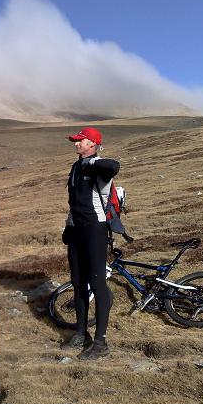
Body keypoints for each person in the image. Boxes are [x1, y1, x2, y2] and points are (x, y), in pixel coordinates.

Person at [62, 127, 119, 360]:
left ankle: (101, 342)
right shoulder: (75, 167)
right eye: (75, 141)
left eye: (81, 141)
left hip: (95, 229)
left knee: (97, 283)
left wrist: (92, 163)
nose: (76, 144)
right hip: (77, 230)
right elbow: (73, 202)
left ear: (93, 143)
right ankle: (80, 333)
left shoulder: (99, 165)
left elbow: (113, 167)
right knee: (78, 283)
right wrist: (68, 227)